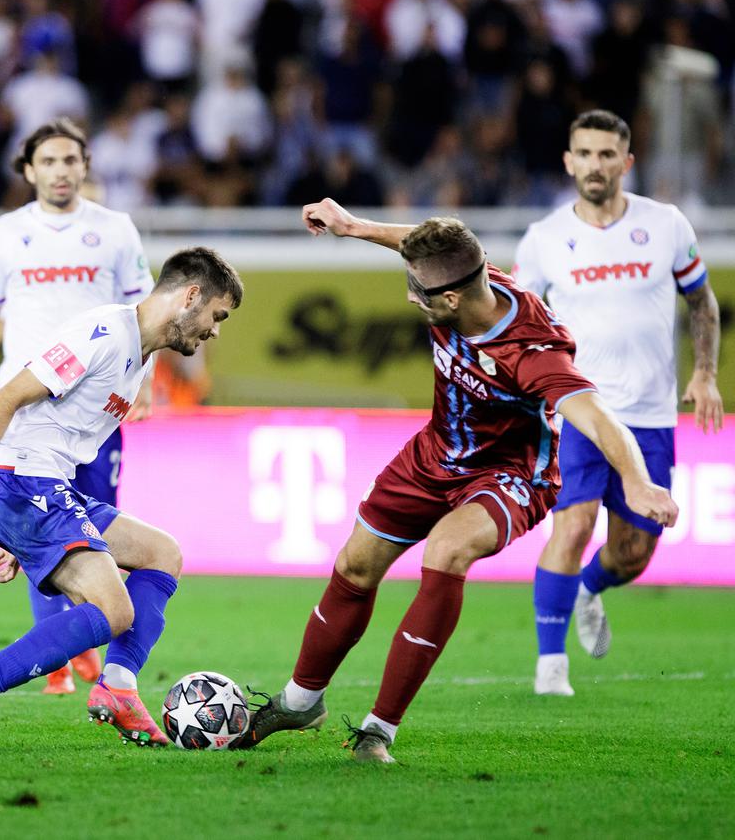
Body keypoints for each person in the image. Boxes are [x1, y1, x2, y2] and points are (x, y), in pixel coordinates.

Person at [235, 200, 678, 763]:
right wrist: (353, 227)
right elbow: (426, 245)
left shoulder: (532, 351)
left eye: (417, 292)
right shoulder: (469, 276)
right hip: (434, 453)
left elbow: (597, 416)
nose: (409, 298)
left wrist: (636, 482)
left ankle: (377, 731)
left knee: (446, 550)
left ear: (450, 299)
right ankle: (300, 702)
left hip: (509, 475)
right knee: (354, 566)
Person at [0, 247, 242, 749]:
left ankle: (118, 688)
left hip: (47, 488)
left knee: (162, 553)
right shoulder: (103, 333)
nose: (215, 330)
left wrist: (23, 539)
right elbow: (7, 397)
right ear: (191, 296)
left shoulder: (140, 360)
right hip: (20, 480)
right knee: (114, 610)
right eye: (217, 315)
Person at [0, 118, 155, 696]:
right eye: (49, 161)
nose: (61, 171)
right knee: (41, 527)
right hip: (30, 406)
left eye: (70, 160)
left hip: (95, 407)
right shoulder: (3, 234)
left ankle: (79, 644)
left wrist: (145, 383)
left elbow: (147, 314)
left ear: (85, 167)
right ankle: (56, 661)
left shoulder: (115, 230)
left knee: (95, 531)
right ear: (29, 170)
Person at [513, 109, 723, 696]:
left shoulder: (666, 225)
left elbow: (702, 302)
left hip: (651, 415)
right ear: (568, 161)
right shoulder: (544, 239)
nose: (595, 165)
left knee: (633, 552)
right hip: (580, 408)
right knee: (574, 523)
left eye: (607, 154)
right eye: (584, 153)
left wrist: (705, 373)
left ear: (626, 162)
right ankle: (551, 668)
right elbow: (517, 322)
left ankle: (588, 589)